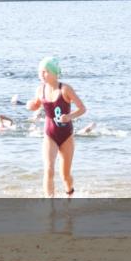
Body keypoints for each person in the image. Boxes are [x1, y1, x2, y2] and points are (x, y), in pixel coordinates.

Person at [26, 57, 86, 198]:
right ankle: (50, 204)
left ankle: (70, 194)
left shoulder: (65, 89)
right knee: (49, 170)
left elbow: (82, 109)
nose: (41, 74)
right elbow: (36, 104)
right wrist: (30, 106)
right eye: (40, 71)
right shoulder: (40, 90)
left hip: (66, 136)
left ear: (54, 73)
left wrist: (69, 117)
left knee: (65, 175)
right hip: (50, 135)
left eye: (45, 71)